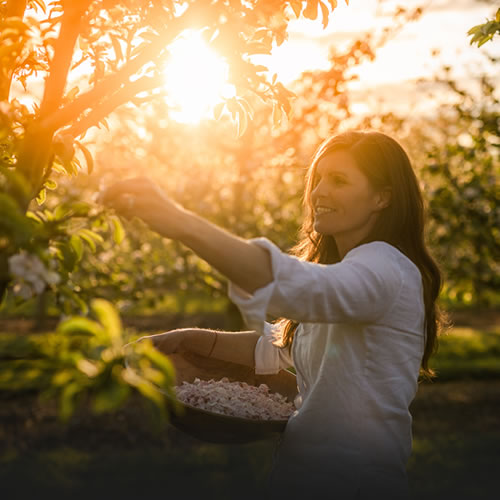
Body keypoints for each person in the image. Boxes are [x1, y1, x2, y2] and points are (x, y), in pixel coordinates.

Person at [100, 130, 446, 499]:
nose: (319, 193)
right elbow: (280, 345)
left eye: (339, 180)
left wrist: (180, 222)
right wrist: (191, 340)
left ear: (382, 197)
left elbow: (289, 285)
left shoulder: (386, 269)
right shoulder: (347, 271)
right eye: (318, 179)